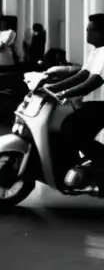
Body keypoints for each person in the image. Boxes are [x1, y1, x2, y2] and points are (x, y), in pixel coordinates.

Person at [44, 15, 104, 188]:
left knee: (71, 127)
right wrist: (52, 87)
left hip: (102, 105)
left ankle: (100, 164)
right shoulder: (97, 52)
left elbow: (92, 82)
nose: (87, 33)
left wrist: (62, 93)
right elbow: (82, 75)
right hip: (95, 104)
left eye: (91, 30)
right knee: (70, 125)